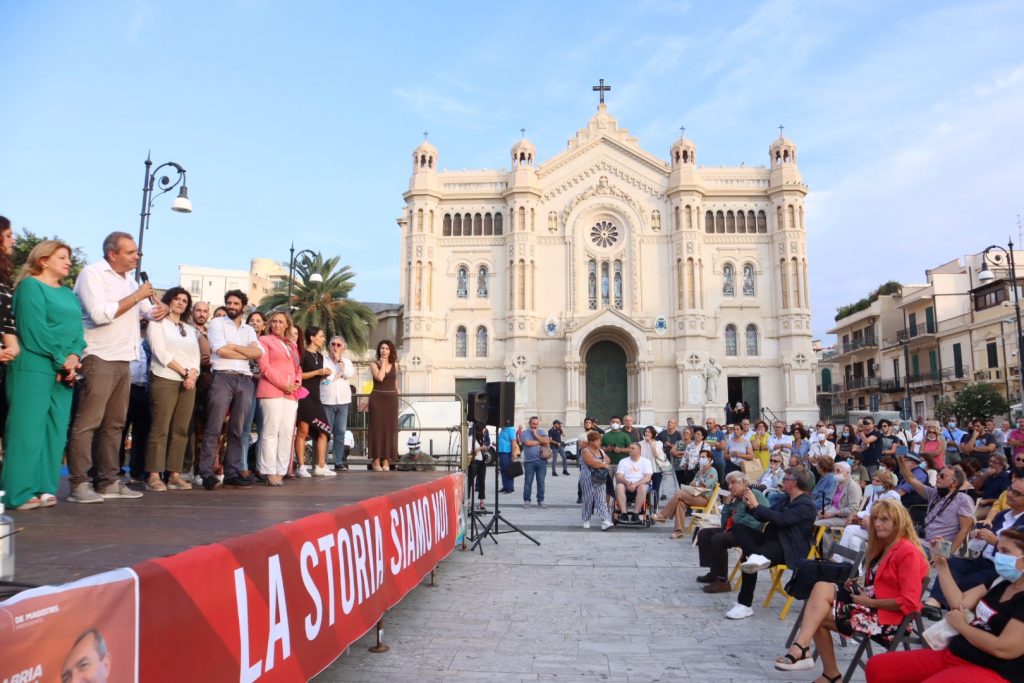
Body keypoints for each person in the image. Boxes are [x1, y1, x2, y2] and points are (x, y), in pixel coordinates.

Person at [774, 500, 929, 681]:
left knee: (816, 616)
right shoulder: (885, 546)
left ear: (899, 522)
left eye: (885, 519)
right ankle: (803, 648)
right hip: (872, 607)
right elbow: (884, 584)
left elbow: (909, 602)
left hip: (890, 621)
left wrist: (869, 602)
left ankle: (826, 671)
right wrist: (857, 585)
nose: (878, 523)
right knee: (821, 587)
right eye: (876, 518)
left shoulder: (907, 552)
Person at [67, 232, 167, 503]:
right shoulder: (93, 274)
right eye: (131, 252)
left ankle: (108, 480)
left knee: (114, 425)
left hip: (125, 358)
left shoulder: (130, 280)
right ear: (113, 254)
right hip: (98, 356)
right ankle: (79, 483)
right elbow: (100, 315)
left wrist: (158, 310)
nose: (137, 256)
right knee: (88, 422)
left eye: (136, 252)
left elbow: (146, 312)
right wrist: (137, 297)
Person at [867, 529, 1024, 683]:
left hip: (994, 670)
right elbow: (959, 603)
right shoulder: (1000, 583)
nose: (998, 556)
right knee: (877, 667)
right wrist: (942, 564)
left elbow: (1004, 648)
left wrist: (962, 626)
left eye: (1005, 551)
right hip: (956, 655)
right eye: (998, 550)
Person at [1, 241, 83, 510]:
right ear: (43, 260)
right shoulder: (30, 287)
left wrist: (74, 357)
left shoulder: (69, 293)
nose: (68, 261)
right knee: (28, 429)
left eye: (69, 257)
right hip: (34, 365)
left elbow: (77, 332)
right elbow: (34, 329)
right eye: (62, 257)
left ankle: (45, 487)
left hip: (64, 368)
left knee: (55, 430)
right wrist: (63, 361)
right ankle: (18, 492)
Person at [726, 467, 817, 620]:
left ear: (793, 483)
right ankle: (756, 556)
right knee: (740, 528)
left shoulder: (806, 505)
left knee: (749, 562)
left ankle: (745, 605)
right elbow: (766, 516)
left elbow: (782, 520)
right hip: (771, 540)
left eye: (785, 479)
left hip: (787, 546)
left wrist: (757, 506)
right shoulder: (786, 498)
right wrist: (750, 506)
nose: (782, 482)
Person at [925, 476, 1024, 613]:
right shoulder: (1003, 515)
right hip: (982, 559)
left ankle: (949, 606)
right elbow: (988, 537)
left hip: (1004, 568)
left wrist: (995, 542)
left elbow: (1014, 551)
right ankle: (934, 602)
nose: (1009, 494)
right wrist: (980, 535)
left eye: (1016, 493)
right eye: (1010, 489)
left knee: (969, 580)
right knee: (953, 563)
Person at [199, 290, 262, 490]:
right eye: (229, 303)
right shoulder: (218, 323)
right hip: (222, 376)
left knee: (238, 428)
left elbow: (258, 353)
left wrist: (233, 346)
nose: (232, 306)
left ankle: (232, 472)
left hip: (245, 379)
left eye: (236, 303)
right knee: (214, 426)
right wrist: (244, 351)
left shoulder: (248, 329)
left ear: (243, 306)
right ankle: (207, 472)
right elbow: (219, 350)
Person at [143, 287, 200, 491]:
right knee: (160, 428)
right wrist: (185, 372)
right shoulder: (158, 324)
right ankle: (154, 475)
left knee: (181, 429)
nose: (180, 302)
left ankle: (174, 474)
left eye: (185, 300)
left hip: (188, 382)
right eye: (177, 299)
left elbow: (196, 356)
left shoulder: (190, 329)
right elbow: (160, 352)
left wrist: (192, 374)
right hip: (165, 378)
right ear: (169, 300)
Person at [698, 471, 769, 592]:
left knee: (719, 539)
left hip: (751, 534)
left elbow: (757, 518)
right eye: (728, 484)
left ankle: (722, 581)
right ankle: (714, 572)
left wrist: (735, 524)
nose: (730, 487)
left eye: (733, 483)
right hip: (735, 529)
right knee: (704, 533)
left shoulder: (754, 494)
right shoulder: (736, 499)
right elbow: (725, 524)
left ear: (745, 483)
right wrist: (726, 504)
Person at [255, 312, 301, 486]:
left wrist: (297, 382)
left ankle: (282, 470)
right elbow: (264, 367)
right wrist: (284, 384)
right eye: (274, 321)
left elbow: (298, 368)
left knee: (287, 432)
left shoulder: (291, 345)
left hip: (290, 394)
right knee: (270, 431)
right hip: (271, 390)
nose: (276, 324)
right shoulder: (264, 341)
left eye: (280, 321)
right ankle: (269, 470)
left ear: (287, 325)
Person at [898, 454, 975, 555]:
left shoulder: (963, 499)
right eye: (939, 474)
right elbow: (911, 479)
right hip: (922, 541)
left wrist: (948, 555)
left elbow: (964, 530)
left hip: (939, 548)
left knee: (901, 550)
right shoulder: (934, 493)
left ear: (954, 483)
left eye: (942, 476)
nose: (938, 477)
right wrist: (900, 460)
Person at [294, 326, 335, 477]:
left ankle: (321, 466)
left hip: (316, 397)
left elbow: (316, 376)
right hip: (304, 396)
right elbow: (298, 376)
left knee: (324, 430)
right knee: (303, 432)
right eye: (321, 336)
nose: (323, 339)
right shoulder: (302, 353)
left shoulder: (320, 356)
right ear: (312, 338)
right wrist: (318, 372)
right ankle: (301, 466)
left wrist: (324, 374)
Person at [655, 445, 718, 538]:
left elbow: (706, 485)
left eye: (703, 457)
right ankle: (679, 531)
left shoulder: (712, 471)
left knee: (679, 493)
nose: (701, 459)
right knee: (680, 503)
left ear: (709, 459)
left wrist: (697, 483)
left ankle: (663, 515)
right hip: (696, 495)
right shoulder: (700, 471)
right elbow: (692, 484)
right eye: (700, 457)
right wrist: (697, 483)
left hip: (705, 498)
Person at [835, 469, 901, 556]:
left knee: (849, 529)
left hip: (885, 530)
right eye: (873, 480)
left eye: (878, 481)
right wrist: (856, 514)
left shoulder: (892, 495)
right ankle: (855, 569)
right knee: (853, 541)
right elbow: (868, 510)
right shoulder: (876, 492)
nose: (874, 483)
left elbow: (886, 515)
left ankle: (837, 558)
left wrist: (867, 517)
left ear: (886, 483)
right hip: (872, 526)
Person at [321, 335, 355, 471]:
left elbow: (348, 373)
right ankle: (322, 462)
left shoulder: (346, 361)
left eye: (338, 345)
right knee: (324, 433)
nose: (335, 347)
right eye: (333, 344)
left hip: (343, 401)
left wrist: (339, 362)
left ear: (343, 348)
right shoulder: (323, 360)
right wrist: (336, 375)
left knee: (340, 433)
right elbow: (325, 378)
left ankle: (338, 461)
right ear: (329, 346)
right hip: (326, 401)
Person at [814, 461, 863, 553]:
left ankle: (829, 553)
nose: (835, 473)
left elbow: (853, 509)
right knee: (811, 520)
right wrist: (822, 512)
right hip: (834, 513)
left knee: (818, 524)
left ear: (847, 473)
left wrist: (834, 513)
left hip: (845, 518)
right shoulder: (837, 484)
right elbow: (832, 504)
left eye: (838, 471)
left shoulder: (853, 487)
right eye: (834, 471)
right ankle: (819, 550)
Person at [368, 339, 399, 471]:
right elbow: (380, 378)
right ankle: (376, 461)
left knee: (389, 429)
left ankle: (386, 460)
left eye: (386, 348)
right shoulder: (374, 364)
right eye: (382, 348)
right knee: (377, 429)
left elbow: (395, 380)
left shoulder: (396, 365)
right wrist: (383, 364)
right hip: (377, 399)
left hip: (391, 400)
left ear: (390, 351)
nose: (384, 351)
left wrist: (397, 390)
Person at [0, 217, 18, 440]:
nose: (12, 241)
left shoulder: (5, 280)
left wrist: (13, 349)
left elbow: (8, 323)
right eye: (8, 235)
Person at [242, 310, 266, 474]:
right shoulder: (243, 341)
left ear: (264, 325)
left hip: (265, 387)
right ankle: (243, 466)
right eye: (252, 320)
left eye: (258, 321)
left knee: (265, 430)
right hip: (248, 385)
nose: (255, 323)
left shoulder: (267, 343)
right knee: (245, 428)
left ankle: (259, 466)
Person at [579, 430, 613, 530]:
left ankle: (605, 520)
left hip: (600, 478)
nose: (599, 442)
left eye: (599, 440)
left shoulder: (601, 451)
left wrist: (600, 462)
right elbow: (591, 463)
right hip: (588, 478)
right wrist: (603, 464)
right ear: (591, 441)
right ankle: (586, 519)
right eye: (597, 440)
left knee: (601, 500)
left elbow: (608, 460)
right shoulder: (585, 451)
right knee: (588, 499)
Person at [615, 442, 653, 520]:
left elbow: (648, 477)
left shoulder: (646, 461)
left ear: (639, 451)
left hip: (641, 484)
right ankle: (624, 513)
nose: (630, 449)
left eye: (632, 448)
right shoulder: (623, 461)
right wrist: (627, 483)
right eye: (629, 448)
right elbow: (618, 476)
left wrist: (635, 484)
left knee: (642, 487)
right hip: (626, 484)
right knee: (619, 486)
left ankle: (635, 514)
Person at [520, 415, 550, 508]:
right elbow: (527, 443)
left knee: (541, 482)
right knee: (528, 481)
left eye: (537, 424)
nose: (535, 426)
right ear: (529, 424)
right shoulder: (524, 433)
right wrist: (540, 441)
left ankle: (540, 500)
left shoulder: (541, 431)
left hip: (542, 462)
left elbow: (546, 442)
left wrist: (536, 435)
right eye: (533, 424)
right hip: (529, 462)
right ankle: (527, 500)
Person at [973, 454, 1012, 519]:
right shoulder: (989, 474)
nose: (991, 464)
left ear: (1002, 465)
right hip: (981, 502)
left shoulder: (1006, 478)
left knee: (972, 516)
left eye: (994, 462)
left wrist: (987, 501)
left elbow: (1004, 498)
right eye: (990, 461)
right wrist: (985, 475)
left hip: (993, 506)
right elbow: (974, 487)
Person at [642, 424, 673, 501]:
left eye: (649, 432)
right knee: (644, 489)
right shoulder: (640, 443)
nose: (647, 433)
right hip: (644, 471)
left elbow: (656, 455)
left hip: (656, 469)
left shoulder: (658, 443)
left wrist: (650, 443)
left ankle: (655, 506)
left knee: (656, 489)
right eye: (646, 431)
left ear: (653, 433)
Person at [468, 421, 490, 511]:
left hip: (482, 460)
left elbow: (488, 442)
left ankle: (482, 501)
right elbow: (469, 450)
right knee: (470, 481)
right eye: (483, 428)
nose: (484, 430)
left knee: (482, 482)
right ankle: (468, 501)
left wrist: (486, 446)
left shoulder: (485, 433)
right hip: (474, 461)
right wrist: (481, 448)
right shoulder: (471, 434)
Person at [497, 424, 517, 494]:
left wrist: (513, 453)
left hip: (507, 452)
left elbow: (513, 441)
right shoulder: (502, 429)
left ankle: (510, 487)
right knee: (502, 470)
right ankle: (505, 486)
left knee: (508, 470)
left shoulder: (510, 429)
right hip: (501, 452)